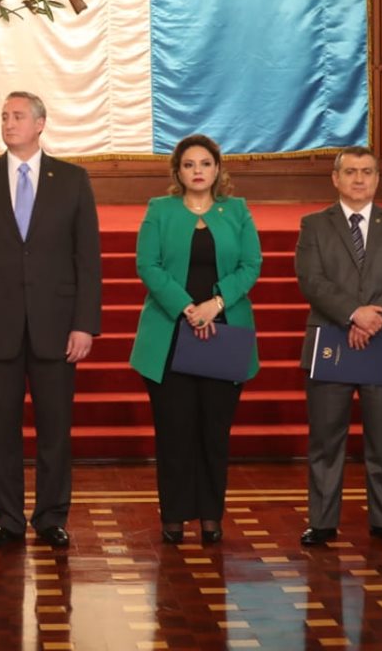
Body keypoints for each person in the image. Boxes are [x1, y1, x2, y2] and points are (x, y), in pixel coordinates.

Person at [0, 91, 101, 549]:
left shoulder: (73, 180)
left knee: (55, 429)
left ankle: (52, 515)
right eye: (4, 116)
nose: (9, 122)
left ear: (40, 123)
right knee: (1, 431)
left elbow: (87, 258)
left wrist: (84, 323)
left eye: (17, 116)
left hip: (57, 326)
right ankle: (8, 517)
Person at [129, 135, 261, 545]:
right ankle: (174, 516)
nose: (198, 170)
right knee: (174, 432)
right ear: (178, 172)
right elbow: (147, 264)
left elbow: (251, 263)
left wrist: (216, 304)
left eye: (205, 163)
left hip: (223, 332)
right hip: (170, 335)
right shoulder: (160, 210)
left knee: (213, 432)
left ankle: (210, 516)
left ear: (218, 169)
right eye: (189, 165)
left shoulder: (236, 210)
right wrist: (189, 308)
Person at [295, 146, 382, 546]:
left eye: (367, 172)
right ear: (336, 178)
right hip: (332, 340)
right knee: (326, 439)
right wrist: (353, 314)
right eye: (350, 172)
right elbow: (312, 281)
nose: (359, 179)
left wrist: (372, 318)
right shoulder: (314, 225)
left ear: (377, 179)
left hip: (381, 341)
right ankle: (323, 521)